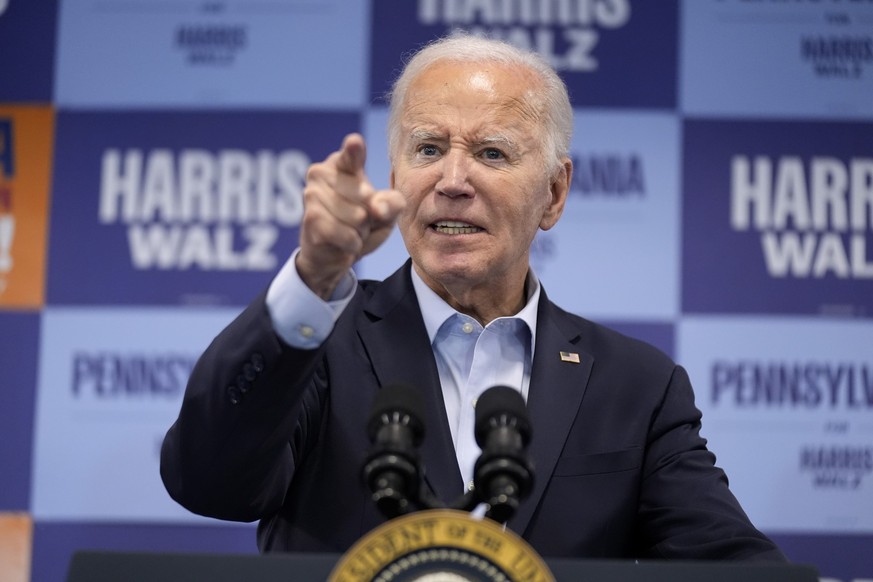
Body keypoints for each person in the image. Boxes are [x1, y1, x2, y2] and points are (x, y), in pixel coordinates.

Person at [161, 32, 786, 561]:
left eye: (491, 153)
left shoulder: (636, 385)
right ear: (397, 172)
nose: (453, 181)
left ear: (554, 193)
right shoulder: (321, 341)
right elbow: (209, 482)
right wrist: (314, 277)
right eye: (428, 149)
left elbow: (731, 565)